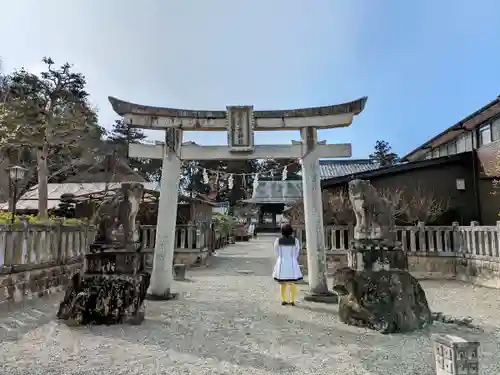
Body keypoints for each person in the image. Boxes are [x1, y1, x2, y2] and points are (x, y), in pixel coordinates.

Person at [272, 223, 303, 306]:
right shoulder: (295, 240)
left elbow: (276, 252)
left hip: (281, 263)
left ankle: (283, 300)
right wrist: (293, 259)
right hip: (292, 263)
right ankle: (292, 300)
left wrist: (280, 259)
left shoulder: (278, 240)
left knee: (283, 283)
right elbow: (297, 252)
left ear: (282, 232)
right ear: (291, 232)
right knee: (292, 283)